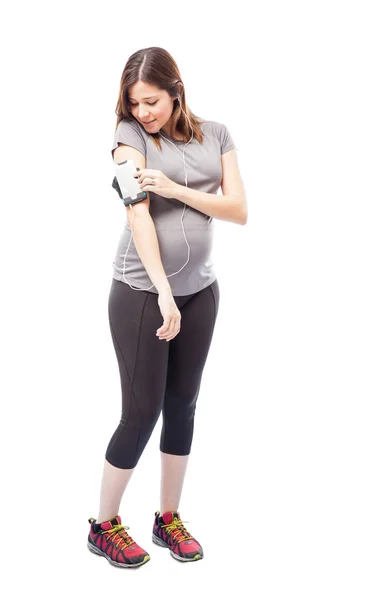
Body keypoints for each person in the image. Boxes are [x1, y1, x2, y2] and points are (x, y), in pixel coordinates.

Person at [87, 46, 247, 568]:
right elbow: (138, 215)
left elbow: (239, 210)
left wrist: (176, 188)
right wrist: (160, 290)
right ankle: (104, 525)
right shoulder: (129, 138)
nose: (143, 112)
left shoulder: (217, 134)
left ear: (176, 91)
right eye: (134, 103)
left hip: (201, 292)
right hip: (140, 294)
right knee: (140, 413)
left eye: (152, 101)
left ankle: (167, 518)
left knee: (183, 406)